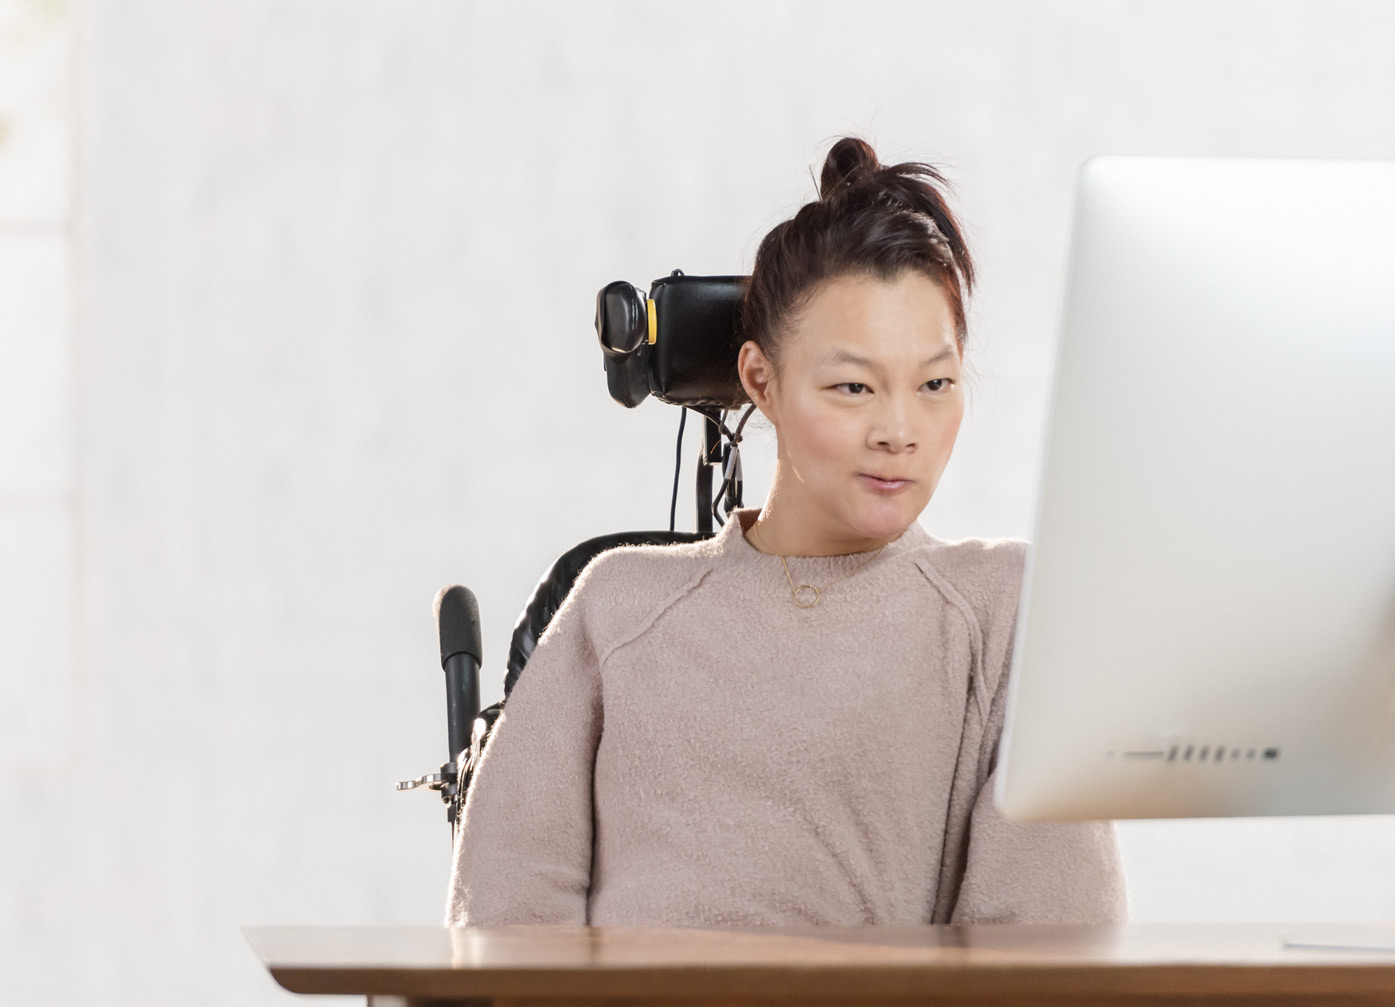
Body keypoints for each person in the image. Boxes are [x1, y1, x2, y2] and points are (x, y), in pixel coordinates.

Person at [447, 137, 1125, 927]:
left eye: (935, 383)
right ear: (761, 381)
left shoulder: (1007, 615)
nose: (900, 430)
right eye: (853, 387)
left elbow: (1049, 949)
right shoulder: (616, 608)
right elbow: (504, 928)